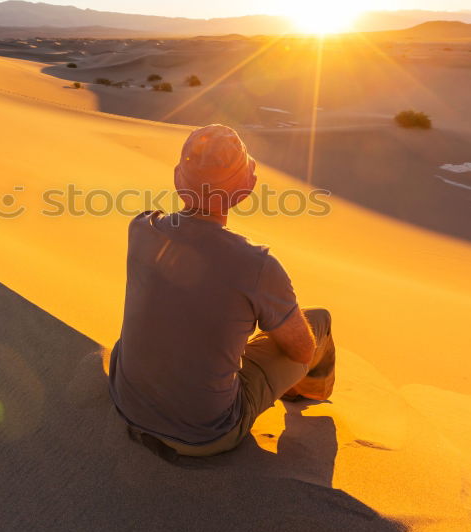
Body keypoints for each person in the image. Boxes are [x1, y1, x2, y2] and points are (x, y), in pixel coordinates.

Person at [109, 124, 335, 458]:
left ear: (177, 179)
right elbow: (301, 351)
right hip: (205, 434)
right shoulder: (258, 265)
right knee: (319, 324)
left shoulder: (141, 226)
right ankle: (306, 396)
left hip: (125, 402)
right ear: (246, 190)